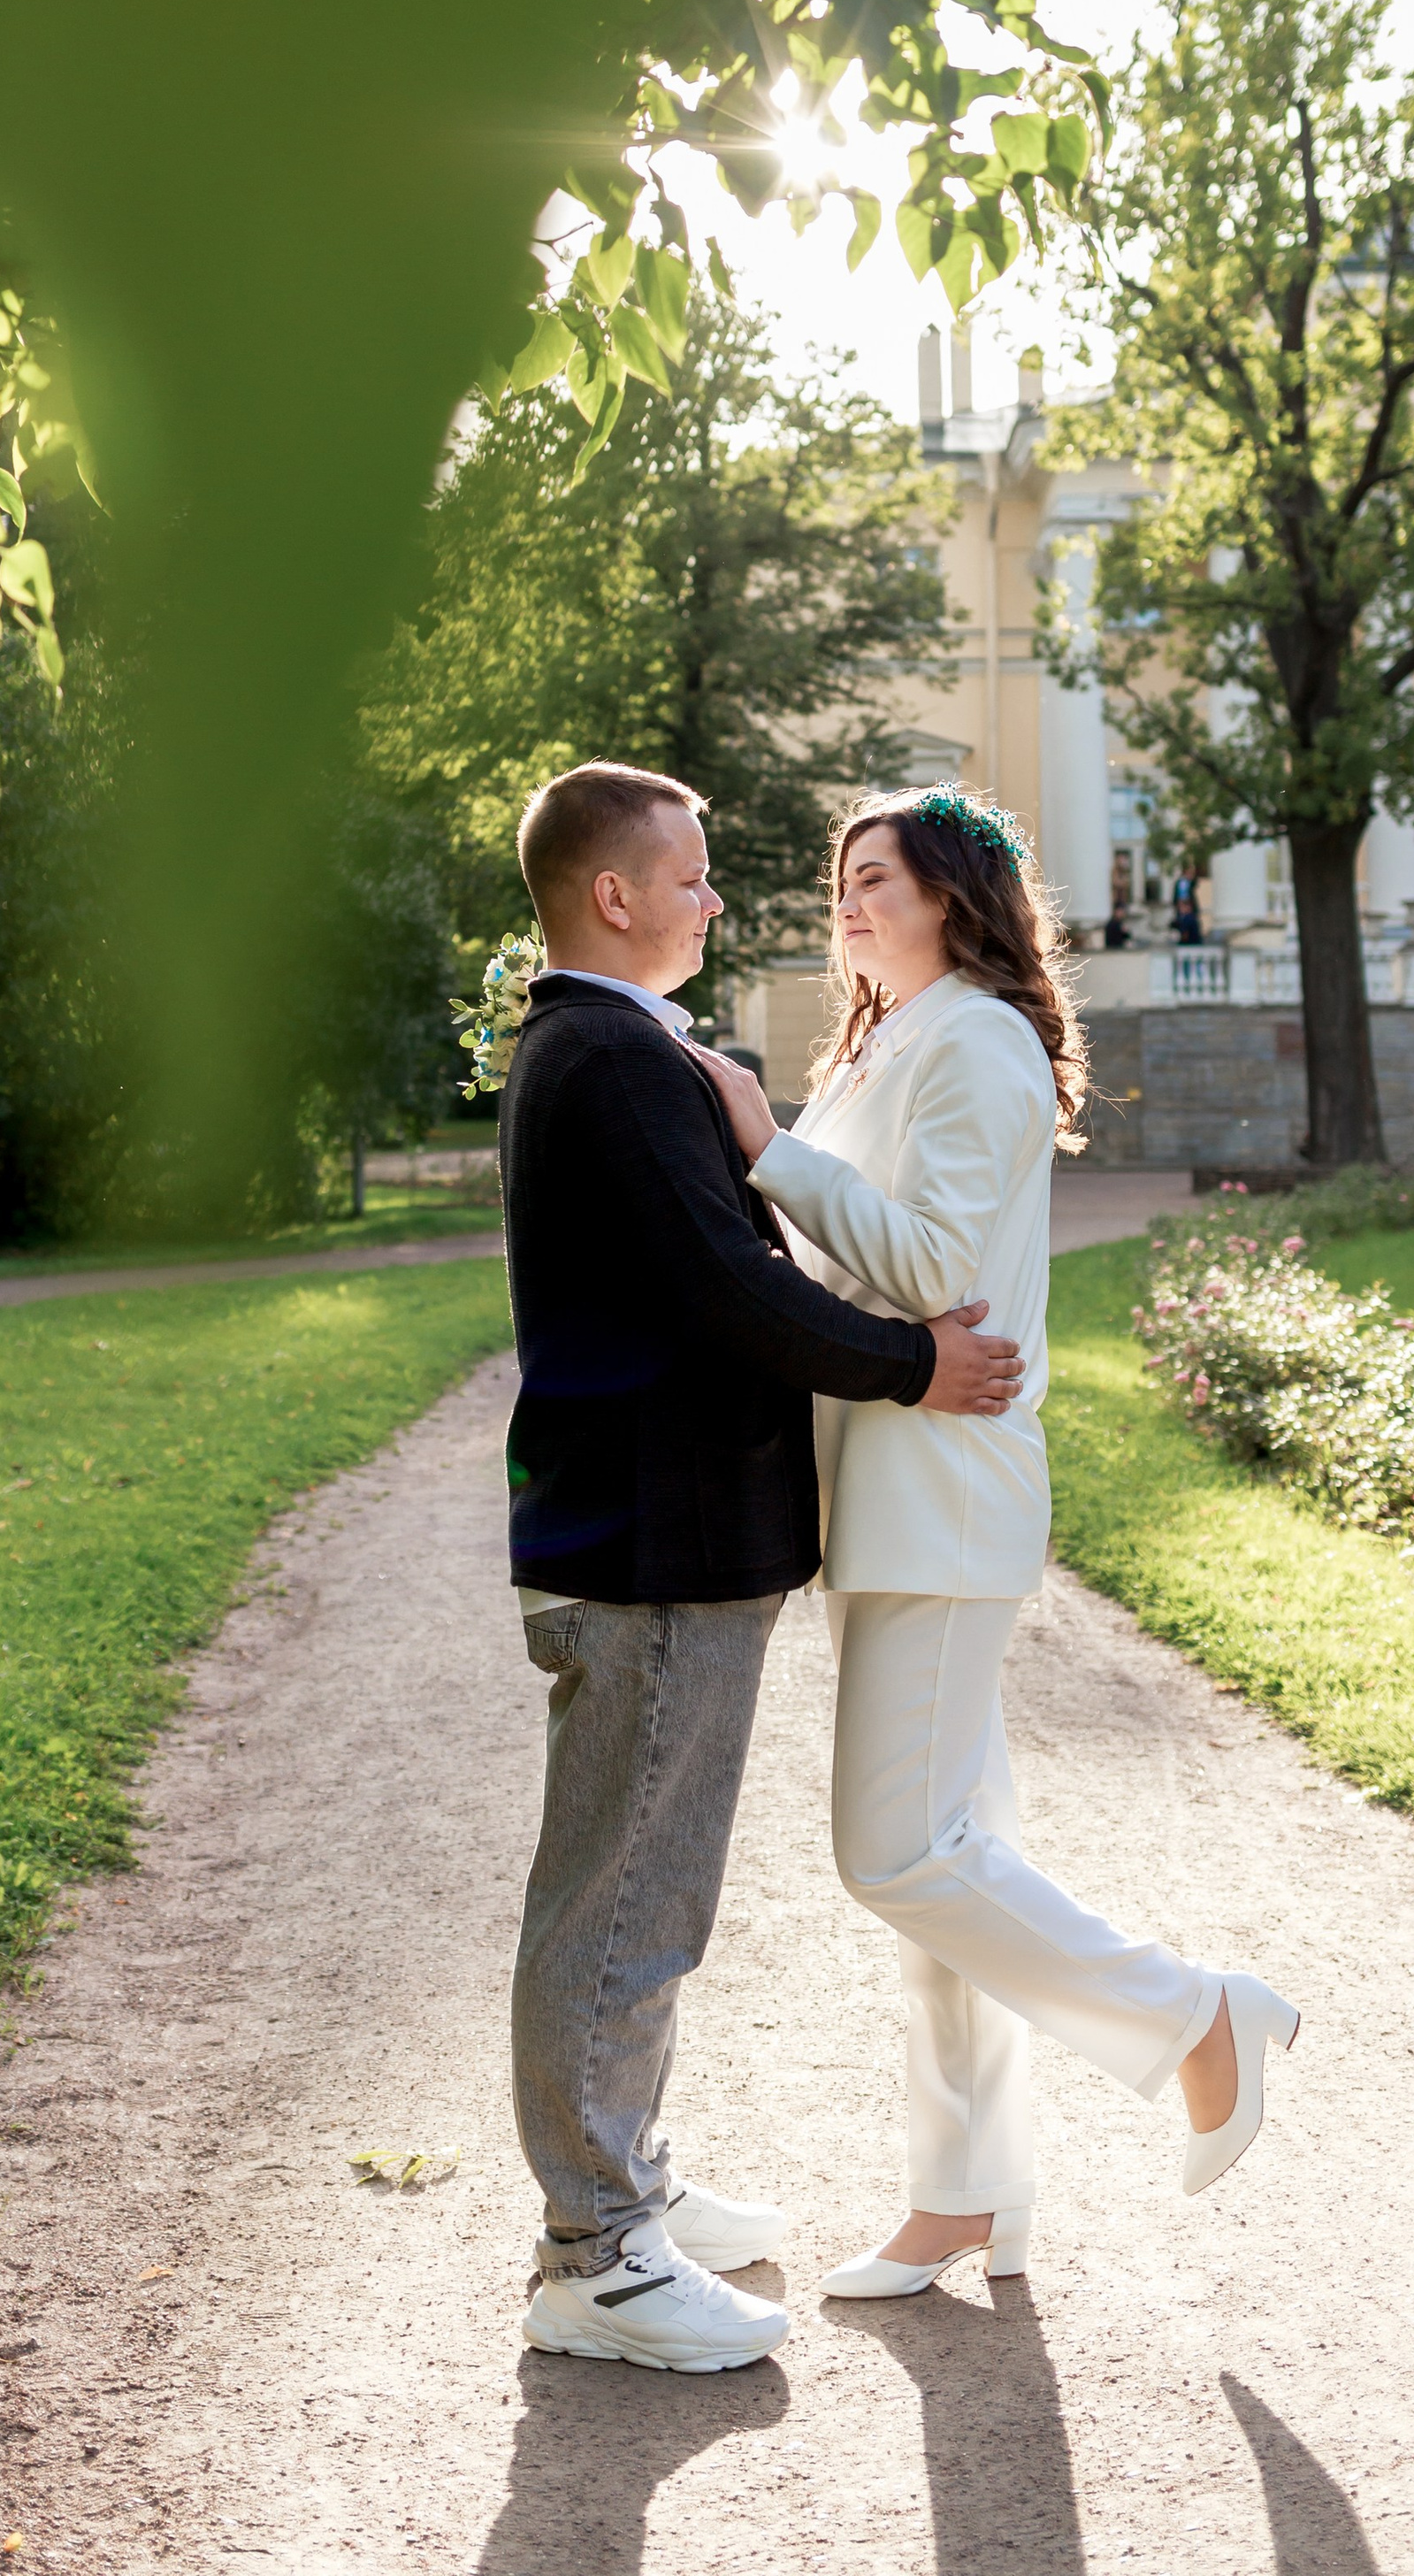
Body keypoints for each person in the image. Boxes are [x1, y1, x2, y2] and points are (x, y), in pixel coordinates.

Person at [687, 784, 1298, 2299]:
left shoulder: (977, 1038)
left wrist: (765, 1142)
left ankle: (1196, 2017)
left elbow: (935, 1269)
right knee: (954, 1851)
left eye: (875, 877)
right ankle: (968, 2192)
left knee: (893, 1850)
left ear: (956, 898)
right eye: (840, 882)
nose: (847, 903)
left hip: (940, 1490)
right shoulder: (893, 1040)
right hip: (887, 1487)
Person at [497, 760, 1024, 2374]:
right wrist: (907, 1365)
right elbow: (732, 1292)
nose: (718, 900)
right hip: (654, 1547)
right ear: (615, 895)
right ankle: (597, 2251)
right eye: (697, 875)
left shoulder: (617, 1050)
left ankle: (629, 2186)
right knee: (625, 1905)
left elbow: (732, 1272)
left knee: (645, 1889)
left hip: (670, 1538)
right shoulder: (614, 1057)